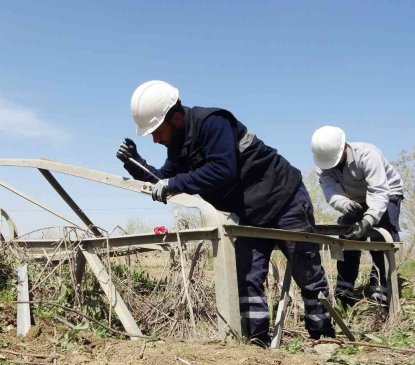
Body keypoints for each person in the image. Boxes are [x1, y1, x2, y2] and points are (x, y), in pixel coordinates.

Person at [116, 80, 335, 345]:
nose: (155, 138)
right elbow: (166, 178)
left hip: (284, 199)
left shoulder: (213, 123)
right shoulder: (177, 145)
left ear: (174, 118)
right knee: (248, 278)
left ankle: (323, 338)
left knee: (307, 272)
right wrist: (137, 165)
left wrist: (173, 183)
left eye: (157, 131)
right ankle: (257, 343)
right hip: (250, 214)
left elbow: (222, 169)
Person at [310, 125, 403, 306]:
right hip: (354, 199)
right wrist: (344, 204)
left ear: (344, 147)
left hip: (387, 193)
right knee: (347, 235)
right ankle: (345, 286)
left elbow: (379, 191)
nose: (334, 165)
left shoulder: (368, 155)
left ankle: (383, 283)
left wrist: (368, 220)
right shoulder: (323, 163)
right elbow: (330, 192)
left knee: (381, 236)